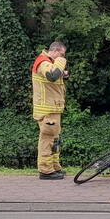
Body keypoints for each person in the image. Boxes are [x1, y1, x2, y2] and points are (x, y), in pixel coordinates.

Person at [31, 41, 69, 180]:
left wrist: (64, 73)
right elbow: (52, 76)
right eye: (62, 54)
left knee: (55, 140)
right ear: (56, 51)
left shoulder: (49, 63)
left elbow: (55, 76)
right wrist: (60, 61)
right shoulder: (43, 62)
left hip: (53, 108)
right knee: (47, 139)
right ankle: (46, 170)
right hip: (47, 110)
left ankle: (54, 167)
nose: (63, 57)